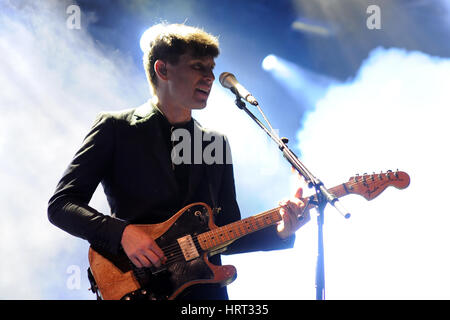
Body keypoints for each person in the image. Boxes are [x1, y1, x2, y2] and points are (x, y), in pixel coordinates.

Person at [47, 23, 310, 300]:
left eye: (211, 67)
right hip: (138, 290)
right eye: (198, 66)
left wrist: (281, 231)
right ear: (162, 70)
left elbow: (224, 233)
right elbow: (62, 205)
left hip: (205, 297)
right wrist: (123, 233)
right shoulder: (116, 128)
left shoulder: (214, 143)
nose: (210, 77)